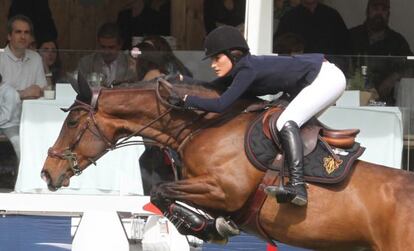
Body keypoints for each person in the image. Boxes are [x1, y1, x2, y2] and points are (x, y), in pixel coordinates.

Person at [174, 26, 346, 206]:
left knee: (286, 122)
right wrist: (184, 82)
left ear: (234, 54)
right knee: (290, 123)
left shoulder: (247, 70)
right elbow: (212, 87)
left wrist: (187, 100)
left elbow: (221, 105)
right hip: (315, 79)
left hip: (326, 78)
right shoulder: (242, 69)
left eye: (217, 58)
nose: (213, 65)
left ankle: (298, 187)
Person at [349, 0, 413, 105]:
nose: (379, 13)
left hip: (386, 104)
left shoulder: (397, 41)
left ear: (388, 14)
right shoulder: (352, 36)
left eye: (383, 10)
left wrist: (394, 77)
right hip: (353, 101)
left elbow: (411, 65)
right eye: (375, 8)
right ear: (367, 11)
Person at [274, 0, 350, 55]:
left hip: (329, 69)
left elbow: (345, 47)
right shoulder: (289, 18)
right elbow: (280, 48)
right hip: (300, 70)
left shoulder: (332, 15)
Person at [77, 22, 136, 88]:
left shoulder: (130, 64)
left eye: (111, 47)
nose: (106, 52)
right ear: (98, 44)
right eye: (103, 47)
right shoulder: (86, 63)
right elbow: (82, 90)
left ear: (120, 45)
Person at [0, 74, 21, 161]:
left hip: (10, 125)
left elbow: (7, 116)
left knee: (17, 142)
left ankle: (22, 166)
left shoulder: (9, 92)